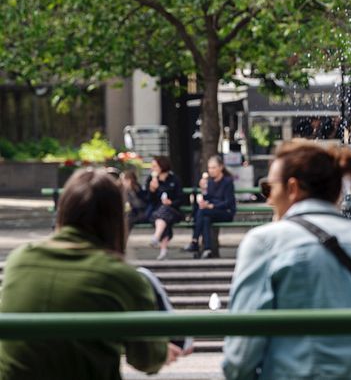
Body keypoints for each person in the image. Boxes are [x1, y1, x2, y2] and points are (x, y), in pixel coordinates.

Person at [223, 139, 351, 380]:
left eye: (268, 188)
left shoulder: (264, 243)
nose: (268, 199)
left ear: (292, 188)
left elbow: (241, 354)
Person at [0, 169, 182, 379]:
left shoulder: (19, 260)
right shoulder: (121, 277)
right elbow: (146, 360)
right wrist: (162, 352)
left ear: (64, 210)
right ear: (115, 220)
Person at [183, 155, 236, 259]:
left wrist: (212, 206)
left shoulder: (228, 182)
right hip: (210, 212)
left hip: (225, 212)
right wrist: (203, 191)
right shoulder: (210, 182)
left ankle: (194, 241)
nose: (211, 170)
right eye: (209, 168)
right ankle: (207, 249)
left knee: (202, 212)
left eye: (214, 167)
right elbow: (208, 197)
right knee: (205, 219)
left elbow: (228, 202)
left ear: (221, 167)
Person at [145, 156, 184, 260]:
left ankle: (156, 238)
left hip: (173, 210)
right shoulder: (151, 179)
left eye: (154, 166)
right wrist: (152, 190)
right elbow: (149, 199)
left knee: (164, 212)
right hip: (156, 211)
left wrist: (170, 202)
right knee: (163, 217)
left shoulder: (174, 179)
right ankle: (162, 249)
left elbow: (181, 198)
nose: (152, 169)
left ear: (162, 166)